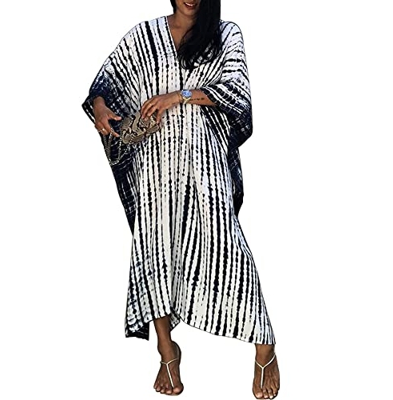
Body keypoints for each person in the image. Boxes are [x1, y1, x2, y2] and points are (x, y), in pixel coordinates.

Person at [82, 0, 280, 398]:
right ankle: (166, 350)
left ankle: (265, 345)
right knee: (153, 249)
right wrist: (101, 110)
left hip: (205, 159)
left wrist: (179, 96)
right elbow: (103, 86)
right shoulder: (144, 35)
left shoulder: (225, 34)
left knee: (227, 247)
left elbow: (235, 93)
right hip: (154, 163)